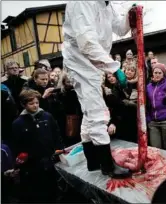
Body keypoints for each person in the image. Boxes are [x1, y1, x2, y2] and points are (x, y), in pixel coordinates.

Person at [62, 1, 133, 178]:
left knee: (89, 113)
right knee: (96, 112)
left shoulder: (106, 4)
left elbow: (120, 28)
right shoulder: (82, 2)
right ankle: (107, 165)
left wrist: (130, 16)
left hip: (92, 63)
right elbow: (86, 42)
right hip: (80, 62)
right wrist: (114, 67)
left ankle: (93, 161)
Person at [11, 89, 64, 203]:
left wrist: (59, 149)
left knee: (52, 190)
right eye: (31, 104)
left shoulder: (47, 116)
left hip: (49, 160)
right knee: (36, 193)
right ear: (23, 104)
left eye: (37, 103)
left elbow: (56, 134)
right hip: (32, 165)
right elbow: (16, 145)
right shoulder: (18, 123)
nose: (35, 106)